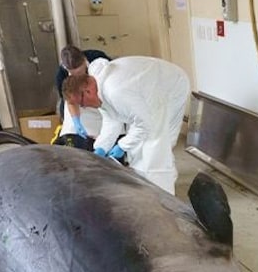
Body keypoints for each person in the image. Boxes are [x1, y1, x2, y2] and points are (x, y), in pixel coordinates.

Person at [60, 56, 190, 194]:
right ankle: (148, 191)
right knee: (138, 150)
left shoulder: (115, 91)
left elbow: (146, 124)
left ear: (87, 91)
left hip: (168, 87)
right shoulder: (100, 88)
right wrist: (101, 148)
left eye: (81, 103)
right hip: (150, 90)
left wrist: (122, 146)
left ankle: (164, 203)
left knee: (155, 149)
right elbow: (112, 119)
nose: (84, 107)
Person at [55, 45, 110, 129]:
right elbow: (70, 101)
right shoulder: (61, 76)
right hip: (80, 104)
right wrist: (76, 121)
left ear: (84, 60)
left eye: (81, 71)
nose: (79, 77)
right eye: (74, 75)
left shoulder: (98, 58)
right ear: (65, 68)